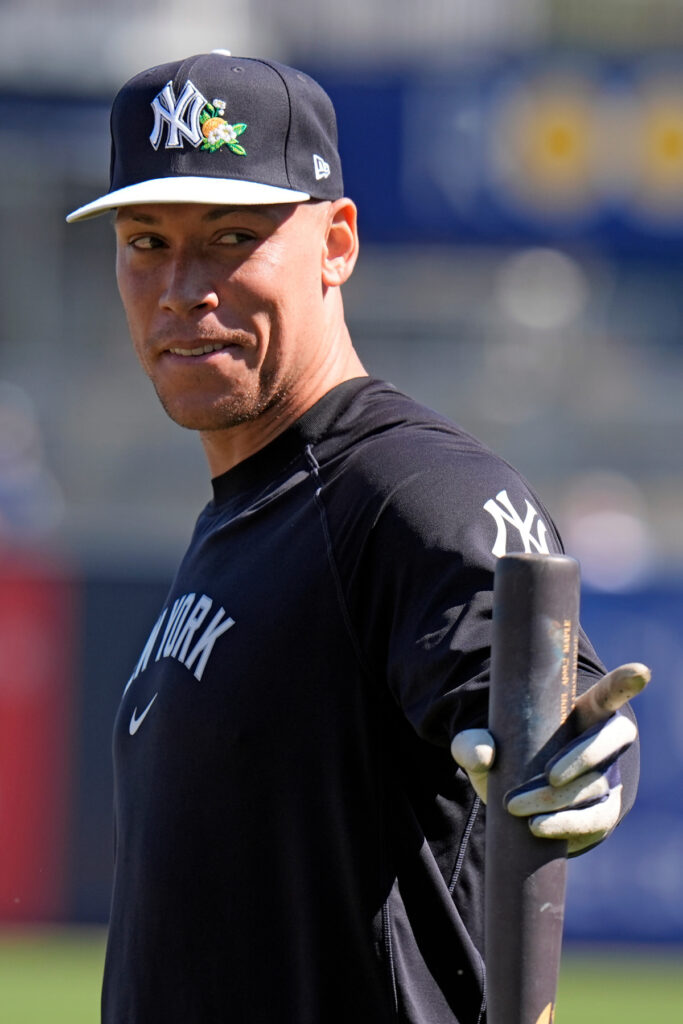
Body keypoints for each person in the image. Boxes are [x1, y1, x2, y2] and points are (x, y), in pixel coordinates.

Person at [68, 51, 642, 1024]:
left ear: (336, 243)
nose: (181, 288)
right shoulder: (257, 506)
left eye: (232, 237)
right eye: (146, 240)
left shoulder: (408, 487)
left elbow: (538, 695)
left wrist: (573, 755)